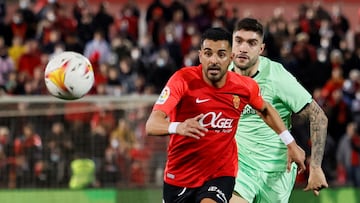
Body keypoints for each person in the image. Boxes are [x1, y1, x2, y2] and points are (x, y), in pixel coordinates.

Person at [145, 27, 306, 203]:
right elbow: (152, 124)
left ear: (230, 58)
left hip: (220, 174)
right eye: (208, 53)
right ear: (200, 56)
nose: (214, 60)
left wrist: (290, 143)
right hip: (180, 174)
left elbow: (265, 110)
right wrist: (178, 126)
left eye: (221, 54)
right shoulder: (182, 80)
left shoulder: (244, 87)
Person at [229, 18, 329, 203]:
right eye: (239, 41)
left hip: (277, 172)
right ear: (231, 44)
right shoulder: (221, 76)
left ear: (261, 49)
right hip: (239, 168)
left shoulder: (277, 76)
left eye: (251, 43)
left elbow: (318, 116)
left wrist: (315, 167)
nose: (243, 48)